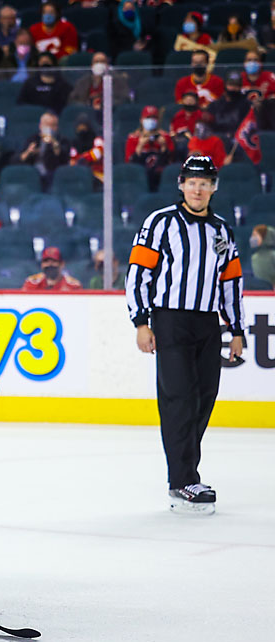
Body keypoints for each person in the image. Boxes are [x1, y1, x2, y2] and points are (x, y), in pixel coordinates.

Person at [125, 156, 244, 515]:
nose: (198, 188)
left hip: (209, 323)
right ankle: (182, 480)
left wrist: (236, 329)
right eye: (192, 182)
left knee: (204, 397)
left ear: (214, 187)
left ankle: (187, 473)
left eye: (205, 182)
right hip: (170, 320)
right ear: (180, 184)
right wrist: (141, 321)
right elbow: (138, 273)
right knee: (179, 398)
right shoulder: (159, 223)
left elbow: (232, 283)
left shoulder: (222, 231)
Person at [18, 112, 70, 191]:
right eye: (46, 125)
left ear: (57, 127)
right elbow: (19, 158)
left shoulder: (63, 140)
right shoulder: (33, 139)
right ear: (40, 126)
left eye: (53, 125)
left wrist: (53, 142)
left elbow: (63, 158)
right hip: (33, 175)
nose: (49, 128)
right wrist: (29, 152)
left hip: (53, 176)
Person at [126, 106, 172, 192]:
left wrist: (163, 146)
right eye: (148, 118)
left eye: (154, 118)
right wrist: (140, 146)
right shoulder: (133, 138)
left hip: (159, 177)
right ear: (141, 120)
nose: (151, 121)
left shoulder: (165, 137)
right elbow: (130, 163)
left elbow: (170, 163)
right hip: (139, 178)